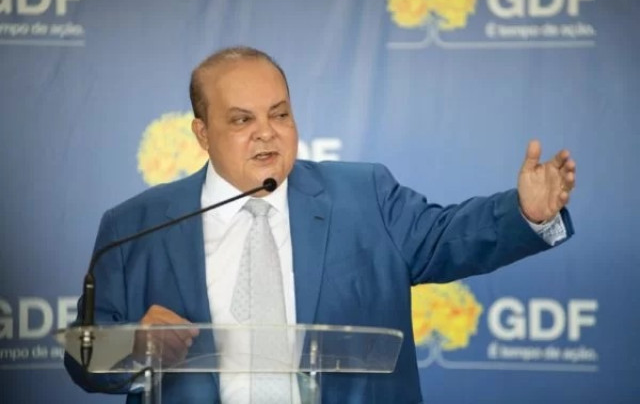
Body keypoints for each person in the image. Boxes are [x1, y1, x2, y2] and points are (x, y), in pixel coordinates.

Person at [65, 46, 576, 403]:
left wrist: (525, 212)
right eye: (242, 120)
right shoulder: (135, 227)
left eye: (280, 114)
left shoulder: (364, 195)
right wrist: (132, 344)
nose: (267, 133)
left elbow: (448, 237)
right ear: (202, 133)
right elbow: (84, 358)